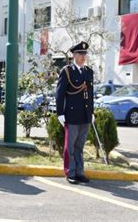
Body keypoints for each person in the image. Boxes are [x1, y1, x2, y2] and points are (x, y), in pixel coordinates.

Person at [55, 41, 95, 185]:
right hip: (71, 114)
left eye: (85, 54)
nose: (83, 56)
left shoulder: (88, 72)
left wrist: (91, 112)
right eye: (80, 54)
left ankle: (79, 172)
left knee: (80, 146)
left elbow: (90, 94)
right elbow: (60, 93)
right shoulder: (67, 71)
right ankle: (70, 172)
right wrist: (60, 113)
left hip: (85, 115)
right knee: (70, 146)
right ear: (74, 55)